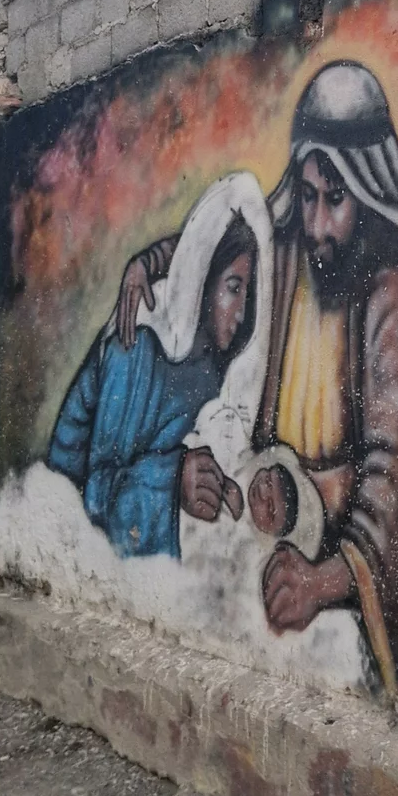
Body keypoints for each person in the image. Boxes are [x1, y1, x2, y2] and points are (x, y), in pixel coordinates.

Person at [116, 62, 398, 744]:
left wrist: (325, 579)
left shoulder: (397, 290)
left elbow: (394, 473)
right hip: (270, 519)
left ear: (368, 190)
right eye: (307, 196)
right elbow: (214, 245)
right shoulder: (288, 251)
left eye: (336, 199)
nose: (318, 221)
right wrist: (146, 266)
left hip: (355, 556)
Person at [49, 174, 269, 558]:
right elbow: (97, 494)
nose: (241, 312)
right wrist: (174, 480)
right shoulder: (137, 344)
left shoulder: (216, 364)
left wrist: (220, 485)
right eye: (234, 288)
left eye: (249, 295)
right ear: (203, 278)